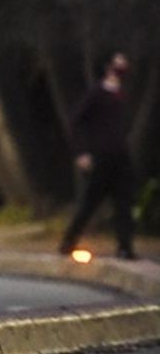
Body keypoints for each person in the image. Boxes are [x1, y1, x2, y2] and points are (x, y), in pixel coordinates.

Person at [59, 52, 137, 260]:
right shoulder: (97, 93)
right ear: (108, 67)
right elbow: (75, 122)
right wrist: (81, 152)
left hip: (120, 155)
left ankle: (125, 247)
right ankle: (68, 241)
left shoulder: (122, 94)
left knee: (123, 203)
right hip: (101, 155)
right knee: (90, 202)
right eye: (117, 64)